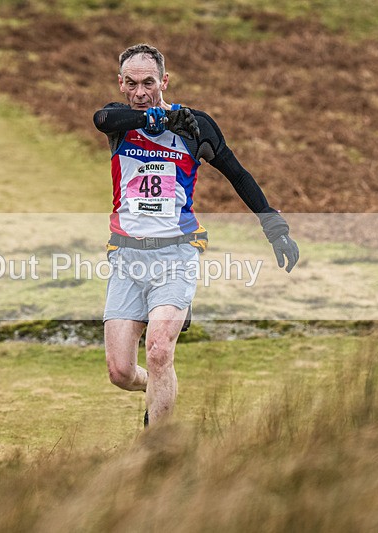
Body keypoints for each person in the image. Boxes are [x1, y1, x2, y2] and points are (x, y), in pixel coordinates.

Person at [93, 43, 298, 428]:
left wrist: (274, 227)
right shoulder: (119, 123)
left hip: (177, 255)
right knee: (120, 372)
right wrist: (153, 120)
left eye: (149, 83)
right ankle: (155, 388)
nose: (140, 92)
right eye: (132, 84)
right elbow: (101, 118)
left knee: (158, 351)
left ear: (164, 81)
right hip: (125, 257)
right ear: (121, 83)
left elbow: (238, 175)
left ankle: (157, 447)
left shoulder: (195, 126)